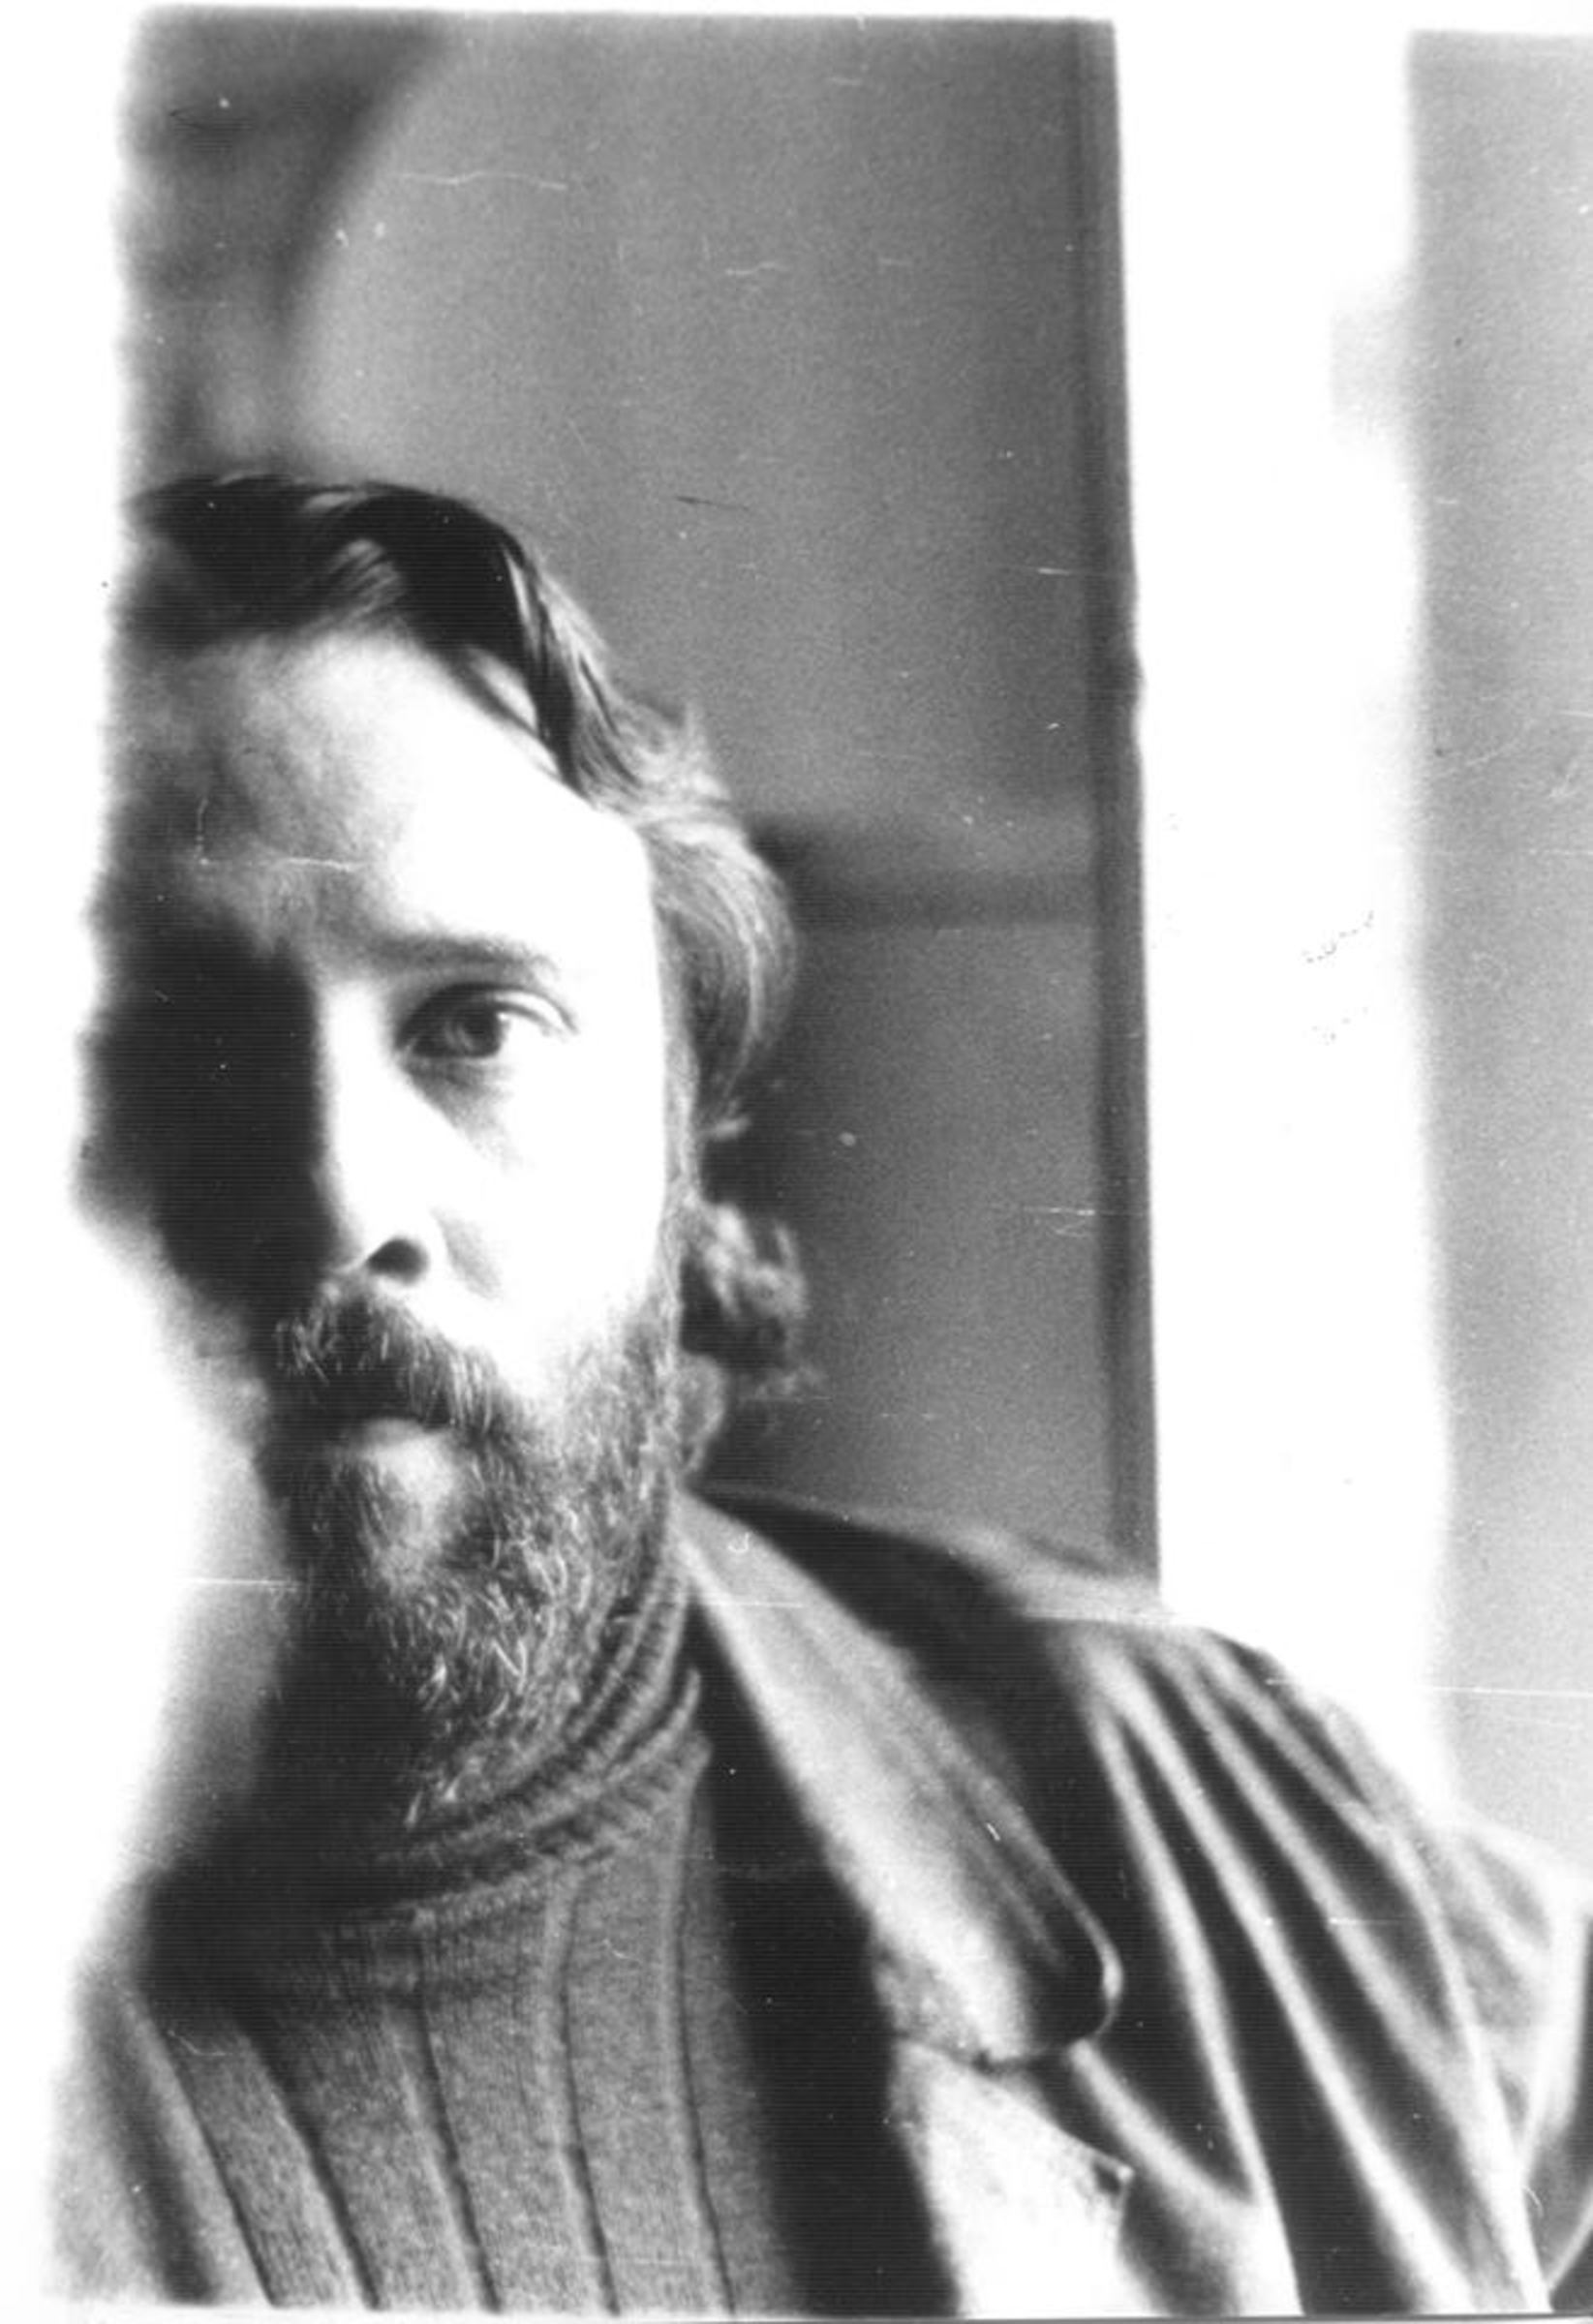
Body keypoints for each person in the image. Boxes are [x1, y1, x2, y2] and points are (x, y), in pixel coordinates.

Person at [53, 472, 1593, 2315]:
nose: (341, 1197)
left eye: (475, 1025)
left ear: (684, 1132)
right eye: (160, 1045)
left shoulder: (1205, 1807)